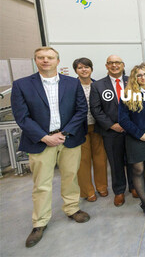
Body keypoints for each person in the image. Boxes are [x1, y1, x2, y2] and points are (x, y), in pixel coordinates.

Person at [11, 47, 89, 248]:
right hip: (40, 141)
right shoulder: (22, 85)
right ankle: (40, 222)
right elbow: (22, 116)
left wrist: (64, 133)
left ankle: (72, 208)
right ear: (35, 60)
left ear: (57, 60)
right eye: (41, 58)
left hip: (68, 138)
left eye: (50, 57)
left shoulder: (72, 83)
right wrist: (45, 137)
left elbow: (81, 110)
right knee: (41, 183)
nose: (45, 61)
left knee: (70, 176)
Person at [90, 55, 136, 207]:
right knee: (115, 162)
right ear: (106, 65)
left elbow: (140, 103)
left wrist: (132, 124)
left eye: (117, 63)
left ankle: (134, 186)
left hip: (131, 129)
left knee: (132, 159)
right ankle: (119, 191)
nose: (114, 65)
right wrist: (111, 125)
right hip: (111, 131)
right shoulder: (97, 86)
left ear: (123, 65)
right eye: (111, 63)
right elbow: (96, 110)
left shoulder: (133, 81)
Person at [118, 65, 145, 217]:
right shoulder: (127, 94)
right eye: (139, 75)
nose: (143, 77)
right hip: (135, 138)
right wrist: (140, 134)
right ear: (134, 78)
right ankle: (144, 203)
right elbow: (123, 120)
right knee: (138, 170)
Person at [73, 57, 108, 202]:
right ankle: (88, 191)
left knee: (100, 159)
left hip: (98, 126)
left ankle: (102, 187)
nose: (84, 70)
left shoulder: (98, 85)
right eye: (80, 67)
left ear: (91, 69)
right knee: (83, 161)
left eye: (86, 67)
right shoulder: (71, 86)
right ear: (76, 70)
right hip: (80, 128)